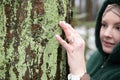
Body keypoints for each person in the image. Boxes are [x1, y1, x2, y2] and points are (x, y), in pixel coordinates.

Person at [55, 0, 120, 80]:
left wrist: (80, 74)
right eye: (104, 25)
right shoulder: (97, 56)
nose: (106, 34)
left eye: (118, 28)